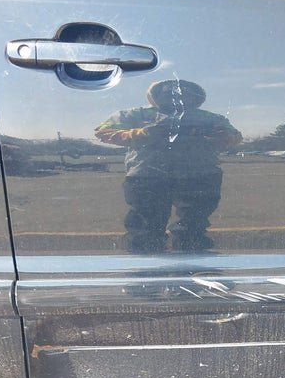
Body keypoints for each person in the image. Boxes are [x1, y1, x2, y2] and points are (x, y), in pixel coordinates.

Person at [95, 80, 242, 253]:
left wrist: (217, 135)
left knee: (193, 226)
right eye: (168, 92)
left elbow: (235, 137)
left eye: (184, 93)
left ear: (195, 97)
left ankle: (193, 260)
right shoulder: (135, 115)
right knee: (146, 227)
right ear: (155, 95)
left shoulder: (209, 118)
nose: (176, 96)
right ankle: (146, 263)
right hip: (148, 176)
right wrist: (143, 133)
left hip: (199, 175)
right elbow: (103, 132)